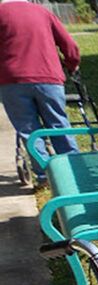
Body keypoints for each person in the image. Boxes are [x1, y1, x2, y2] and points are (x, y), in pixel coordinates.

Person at [0, 0, 81, 185]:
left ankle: (45, 175)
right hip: (48, 77)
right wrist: (72, 63)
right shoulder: (42, 12)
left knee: (28, 130)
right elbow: (69, 45)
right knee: (59, 124)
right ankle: (72, 170)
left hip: (12, 80)